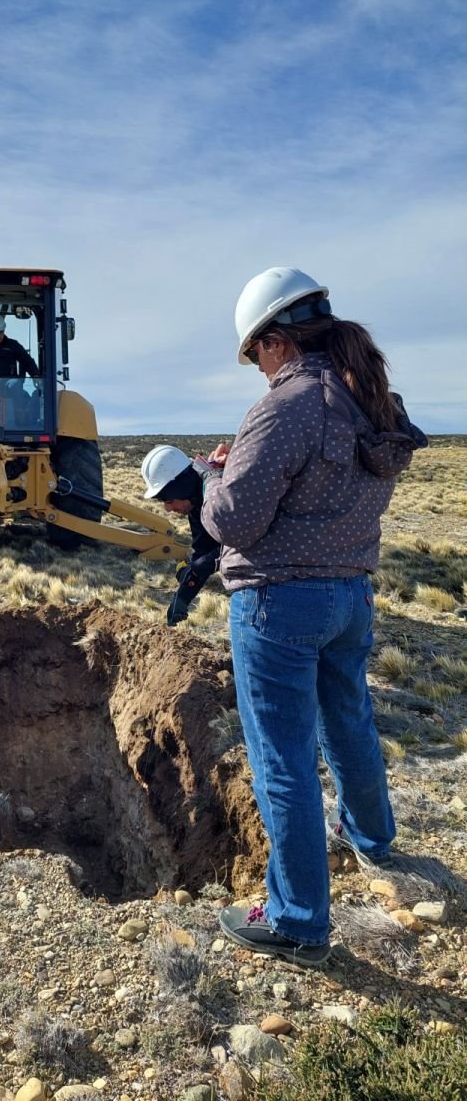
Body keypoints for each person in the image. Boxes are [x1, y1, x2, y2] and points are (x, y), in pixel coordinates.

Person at [198, 266, 426, 967]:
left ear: (275, 341)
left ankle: (298, 920)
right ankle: (372, 838)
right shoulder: (369, 398)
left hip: (280, 602)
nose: (256, 368)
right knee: (349, 722)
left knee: (284, 759)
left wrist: (212, 477)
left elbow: (233, 521)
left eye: (254, 353)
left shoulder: (287, 404)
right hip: (350, 596)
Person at [140, 444, 220, 624]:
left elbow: (244, 544)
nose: (167, 509)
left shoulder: (222, 495)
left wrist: (204, 564)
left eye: (169, 500)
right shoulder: (196, 502)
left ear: (182, 488)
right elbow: (203, 550)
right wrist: (183, 596)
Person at [0, 313, 39, 378]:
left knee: (14, 383)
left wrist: (36, 376)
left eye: (0, 332)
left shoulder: (13, 345)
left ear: (4, 330)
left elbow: (28, 362)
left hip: (9, 385)